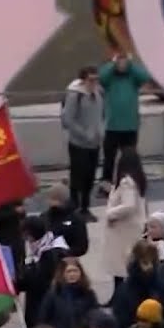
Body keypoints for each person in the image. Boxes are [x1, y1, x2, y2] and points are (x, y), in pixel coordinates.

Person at [98, 53, 151, 190]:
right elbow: (101, 77)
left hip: (130, 126)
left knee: (130, 158)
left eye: (124, 62)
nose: (122, 65)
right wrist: (113, 63)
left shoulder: (133, 77)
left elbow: (145, 76)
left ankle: (132, 182)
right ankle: (106, 185)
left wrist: (131, 63)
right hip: (112, 126)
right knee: (109, 158)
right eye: (119, 62)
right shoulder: (110, 78)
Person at [102, 147, 148, 293]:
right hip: (129, 228)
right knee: (124, 265)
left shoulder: (127, 183)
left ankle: (120, 295)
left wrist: (110, 213)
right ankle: (118, 294)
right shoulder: (136, 180)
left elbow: (129, 206)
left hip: (124, 229)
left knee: (122, 265)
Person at [61, 66, 105, 219]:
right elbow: (67, 120)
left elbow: (100, 115)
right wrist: (85, 134)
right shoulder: (75, 95)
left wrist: (101, 131)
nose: (94, 83)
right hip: (78, 144)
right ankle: (74, 208)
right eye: (91, 80)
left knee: (90, 176)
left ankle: (85, 207)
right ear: (83, 80)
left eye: (96, 79)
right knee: (77, 176)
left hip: (94, 144)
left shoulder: (98, 94)